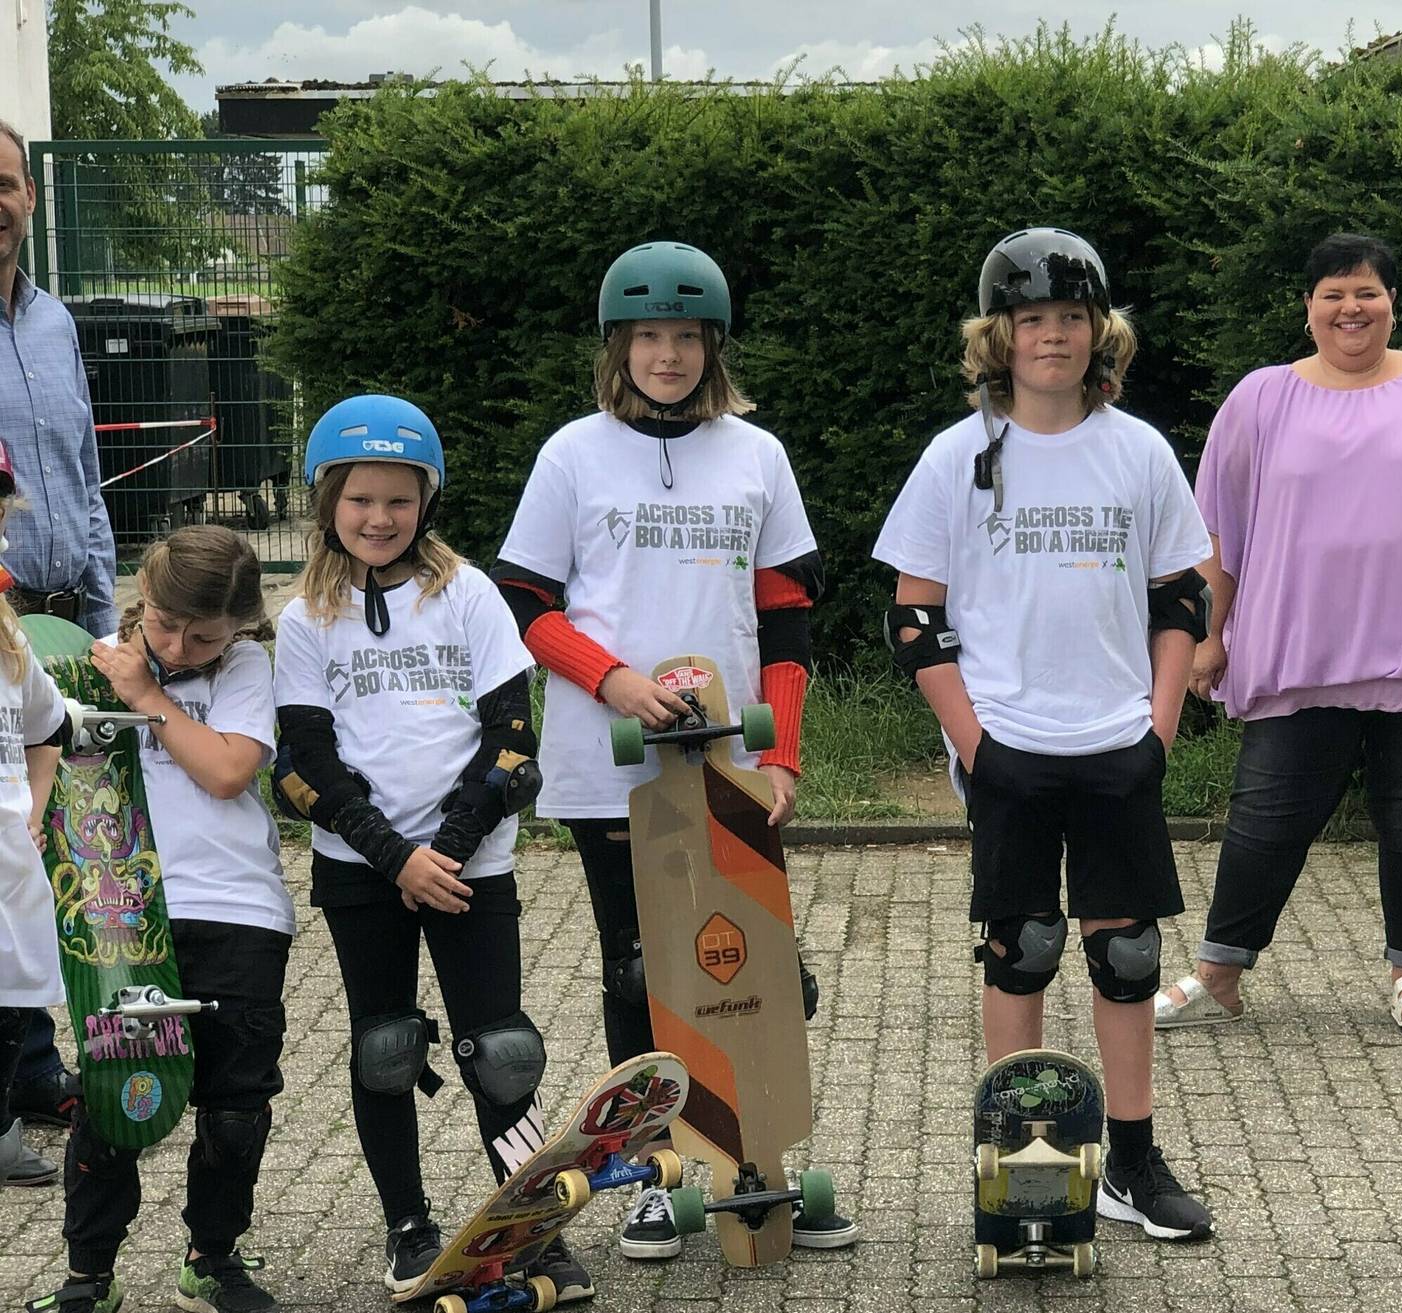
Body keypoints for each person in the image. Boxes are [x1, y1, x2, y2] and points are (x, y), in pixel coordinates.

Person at [492, 241, 857, 1257]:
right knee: (641, 970)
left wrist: (782, 756)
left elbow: (785, 617)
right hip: (610, 756)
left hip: (730, 759)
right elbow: (527, 597)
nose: (667, 354)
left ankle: (755, 1167)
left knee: (740, 961)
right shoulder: (575, 452)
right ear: (619, 345)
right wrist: (612, 678)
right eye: (648, 336)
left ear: (713, 345)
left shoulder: (756, 453)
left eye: (685, 336)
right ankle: (654, 1171)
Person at [875, 226, 1215, 1241]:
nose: (1054, 337)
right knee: (1020, 946)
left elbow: (1181, 599)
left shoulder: (1139, 448)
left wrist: (1159, 727)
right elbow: (913, 614)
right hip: (1009, 740)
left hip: (1118, 736)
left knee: (1128, 952)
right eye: (1033, 320)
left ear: (1098, 331)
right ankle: (1021, 1161)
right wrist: (975, 746)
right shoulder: (959, 453)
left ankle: (1133, 1160)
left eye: (1072, 318)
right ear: (1001, 336)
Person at [1153, 232, 1402, 1033]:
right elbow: (1218, 534)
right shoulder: (1261, 399)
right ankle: (1219, 973)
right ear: (1307, 309)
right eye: (1334, 293)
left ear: (1392, 304)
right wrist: (1208, 635)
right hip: (1300, 650)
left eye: (1367, 292)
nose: (1352, 308)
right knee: (1267, 814)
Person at [271, 396, 586, 1301]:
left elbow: (511, 744)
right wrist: (393, 857)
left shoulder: (470, 594)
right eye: (360, 499)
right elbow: (304, 766)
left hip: (469, 863)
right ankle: (408, 1227)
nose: (379, 518)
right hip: (365, 870)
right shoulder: (304, 618)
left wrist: (443, 849)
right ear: (328, 500)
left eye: (399, 501)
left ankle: (526, 1225)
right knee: (387, 1045)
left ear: (427, 502)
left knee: (502, 1049)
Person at [29, 525, 288, 1313]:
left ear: (238, 626)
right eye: (165, 625)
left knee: (235, 1103)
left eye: (202, 634)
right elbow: (45, 772)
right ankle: (89, 1275)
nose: (178, 644)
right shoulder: (87, 664)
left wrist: (148, 695)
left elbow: (228, 770)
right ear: (143, 593)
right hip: (123, 913)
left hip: (240, 908)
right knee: (115, 1094)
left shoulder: (245, 666)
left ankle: (211, 1258)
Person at [0, 114, 111, 1130]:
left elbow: (83, 475)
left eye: (4, 183)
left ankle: (44, 1058)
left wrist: (112, 609)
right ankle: (13, 1075)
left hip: (72, 622)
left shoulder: (56, 323)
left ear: (29, 199)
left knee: (60, 846)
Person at [0, 437, 66, 1192]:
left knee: (8, 1019)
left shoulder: (10, 640)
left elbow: (48, 728)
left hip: (11, 875)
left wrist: (37, 803)